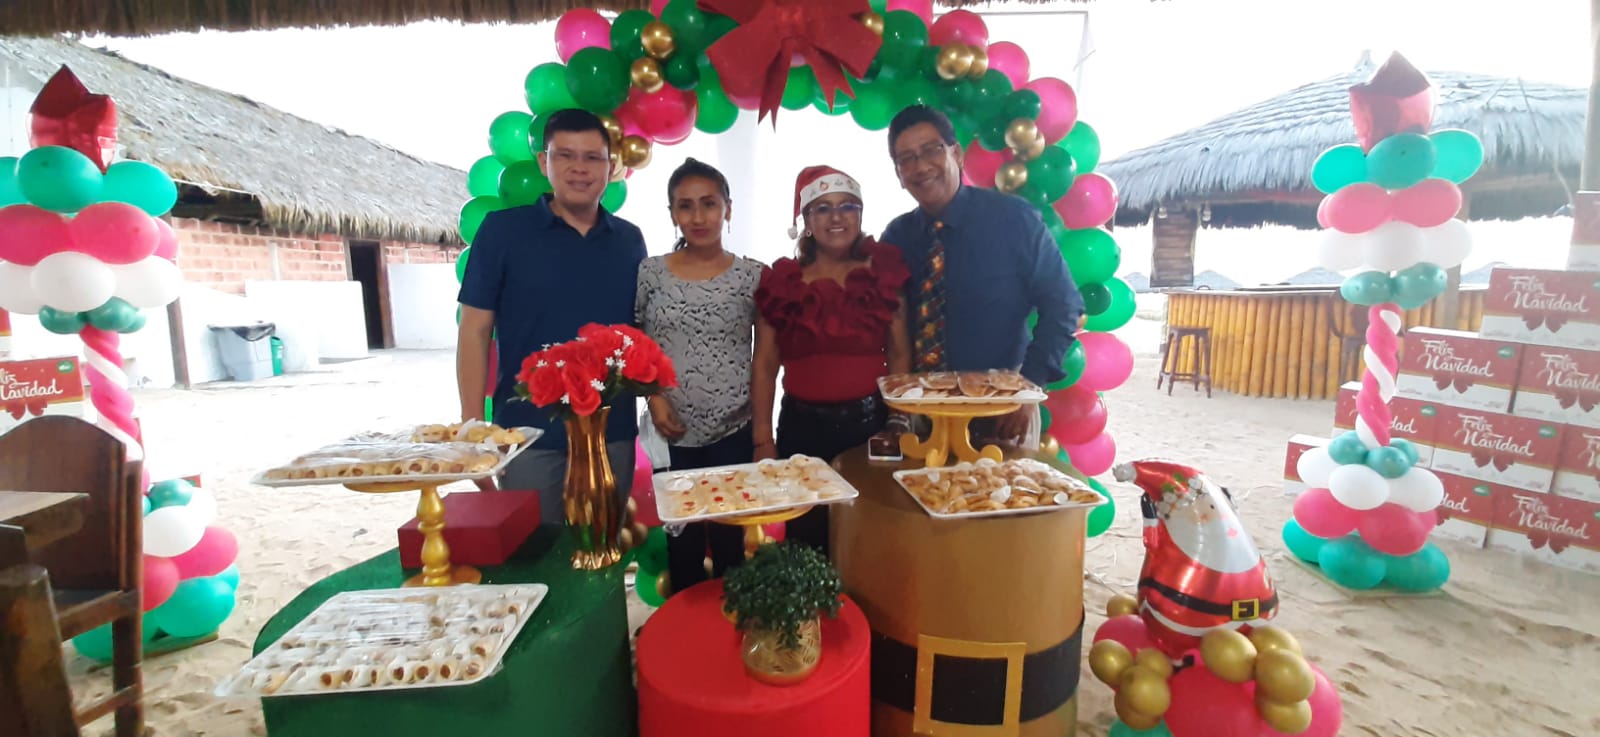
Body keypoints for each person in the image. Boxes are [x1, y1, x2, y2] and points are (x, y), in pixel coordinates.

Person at [457, 108, 646, 522]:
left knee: (602, 548)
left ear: (611, 166)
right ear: (544, 163)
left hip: (610, 434)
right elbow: (474, 330)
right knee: (535, 550)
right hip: (528, 434)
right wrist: (471, 428)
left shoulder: (629, 240)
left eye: (592, 157)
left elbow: (639, 334)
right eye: (565, 155)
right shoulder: (502, 231)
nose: (580, 168)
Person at [880, 105, 1085, 442]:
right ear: (899, 175)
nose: (921, 166)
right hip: (923, 415)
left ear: (956, 154)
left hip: (1003, 410)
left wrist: (1028, 387)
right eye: (906, 159)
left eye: (931, 150)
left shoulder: (1013, 220)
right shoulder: (898, 237)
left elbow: (1063, 306)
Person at [753, 165, 912, 553]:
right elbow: (765, 364)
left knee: (868, 539)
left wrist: (898, 420)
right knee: (807, 540)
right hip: (801, 429)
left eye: (847, 206)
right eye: (822, 208)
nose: (836, 217)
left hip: (870, 427)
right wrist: (762, 440)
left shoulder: (883, 271)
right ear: (806, 221)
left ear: (860, 214)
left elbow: (899, 352)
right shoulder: (781, 280)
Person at [636, 158, 763, 591]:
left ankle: (733, 627)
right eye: (685, 205)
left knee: (731, 547)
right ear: (672, 213)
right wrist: (654, 397)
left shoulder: (752, 276)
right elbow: (636, 345)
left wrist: (761, 433)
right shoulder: (651, 273)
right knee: (683, 547)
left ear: (728, 208)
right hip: (671, 433)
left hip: (733, 431)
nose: (698, 216)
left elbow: (766, 357)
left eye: (709, 204)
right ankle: (685, 629)